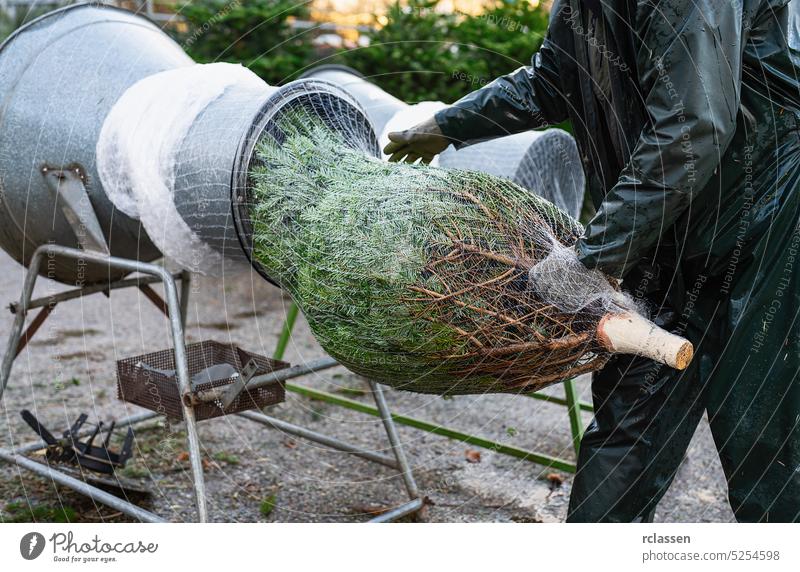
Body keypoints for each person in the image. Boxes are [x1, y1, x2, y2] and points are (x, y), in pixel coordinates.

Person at [384, 0, 800, 522]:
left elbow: (693, 129)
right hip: (659, 230)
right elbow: (552, 79)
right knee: (628, 419)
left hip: (762, 227)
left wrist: (593, 254)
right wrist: (450, 124)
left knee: (765, 433)